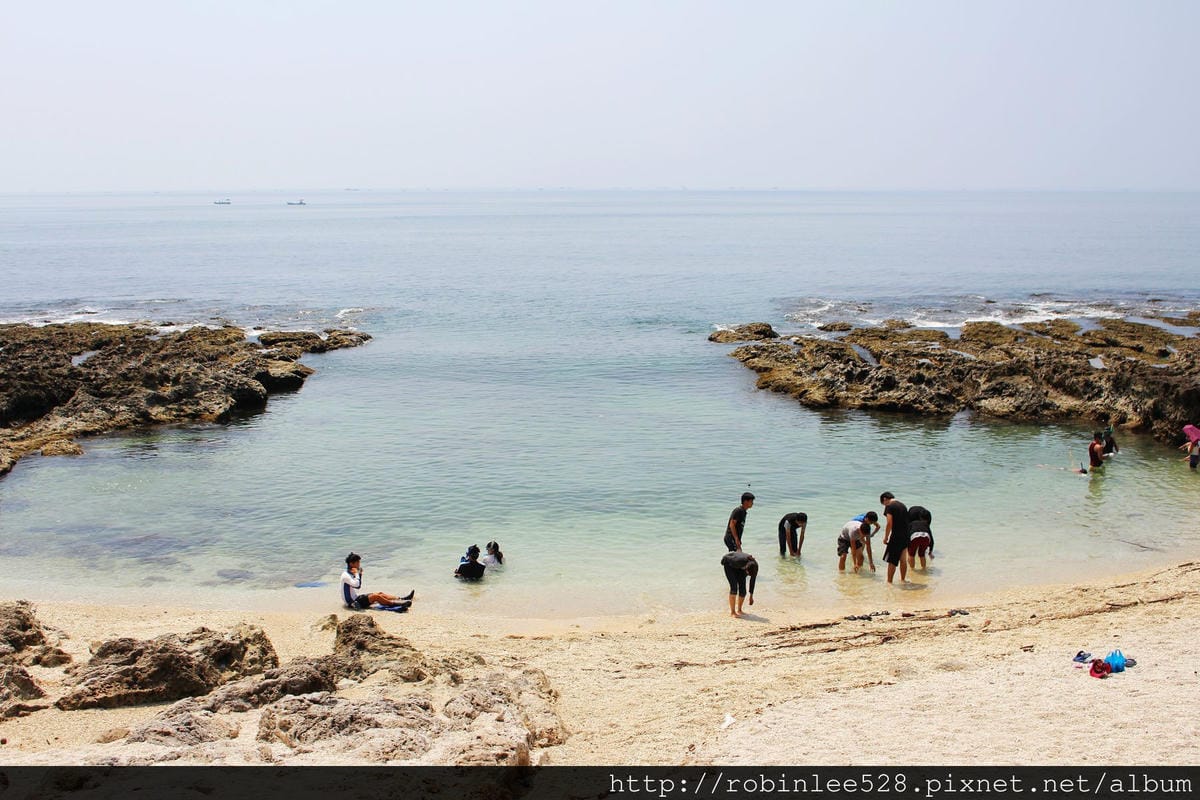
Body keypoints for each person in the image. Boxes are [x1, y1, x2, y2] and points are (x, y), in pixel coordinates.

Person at [340, 553, 414, 611]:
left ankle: (401, 599)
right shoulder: (345, 575)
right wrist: (357, 574)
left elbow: (358, 585)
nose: (359, 564)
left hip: (356, 599)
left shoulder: (350, 573)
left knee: (380, 593)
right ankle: (396, 604)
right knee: (376, 597)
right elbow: (357, 585)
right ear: (351, 564)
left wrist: (359, 574)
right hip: (353, 603)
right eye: (358, 562)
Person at [879, 491, 910, 584]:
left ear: (885, 499)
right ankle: (903, 580)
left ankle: (889, 582)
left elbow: (889, 523)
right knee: (903, 559)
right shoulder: (903, 506)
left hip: (896, 536)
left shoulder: (889, 506)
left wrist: (886, 537)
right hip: (906, 535)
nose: (884, 506)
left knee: (892, 560)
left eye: (883, 504)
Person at [720, 550, 758, 617]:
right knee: (734, 587)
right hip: (729, 564)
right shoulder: (738, 561)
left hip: (740, 567)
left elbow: (752, 581)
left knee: (743, 590)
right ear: (746, 568)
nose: (747, 575)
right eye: (747, 573)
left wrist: (751, 596)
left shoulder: (755, 567)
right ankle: (732, 612)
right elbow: (725, 558)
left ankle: (739, 610)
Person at [906, 505, 933, 570]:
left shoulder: (911, 523)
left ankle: (912, 570)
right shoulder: (926, 523)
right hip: (926, 537)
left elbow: (908, 534)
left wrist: (907, 546)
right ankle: (924, 569)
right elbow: (931, 538)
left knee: (911, 555)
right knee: (922, 555)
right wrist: (930, 551)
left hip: (914, 536)